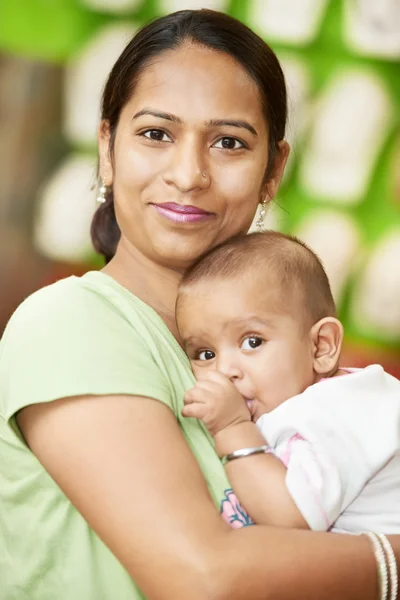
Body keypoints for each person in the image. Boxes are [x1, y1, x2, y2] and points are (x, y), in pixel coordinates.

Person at [0, 9, 398, 600]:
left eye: (229, 143)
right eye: (156, 134)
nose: (188, 175)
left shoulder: (283, 347)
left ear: (273, 172)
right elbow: (200, 576)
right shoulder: (69, 325)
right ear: (108, 149)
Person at [177, 230, 400, 534]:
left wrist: (232, 428)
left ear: (321, 346)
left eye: (252, 342)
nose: (225, 370)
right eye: (205, 353)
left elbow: (290, 518)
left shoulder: (331, 414)